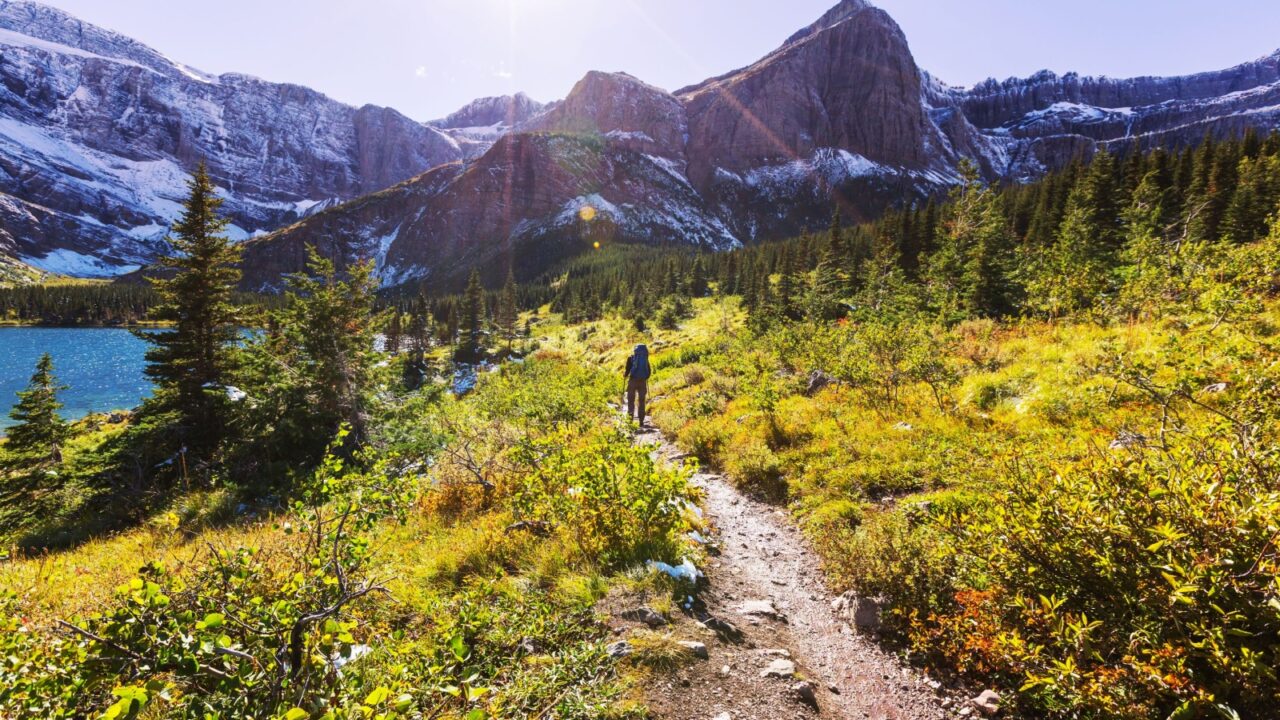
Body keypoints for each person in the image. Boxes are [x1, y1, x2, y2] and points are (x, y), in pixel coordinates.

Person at [623, 344, 651, 426]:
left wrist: (625, 375)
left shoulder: (631, 358)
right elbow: (649, 371)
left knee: (631, 401)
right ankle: (641, 421)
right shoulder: (645, 359)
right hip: (642, 381)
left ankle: (630, 420)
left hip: (632, 381)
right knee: (642, 401)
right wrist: (645, 377)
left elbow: (627, 370)